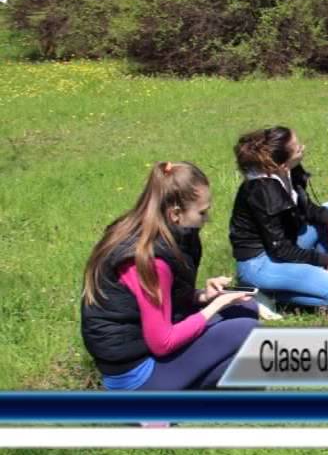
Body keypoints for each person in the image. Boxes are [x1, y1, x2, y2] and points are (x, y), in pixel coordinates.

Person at [81, 162, 259, 390]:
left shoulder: (169, 233)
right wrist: (213, 308)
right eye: (202, 212)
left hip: (147, 345)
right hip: (136, 371)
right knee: (245, 329)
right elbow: (162, 343)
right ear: (175, 214)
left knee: (246, 309)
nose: (207, 219)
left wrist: (202, 296)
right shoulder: (149, 259)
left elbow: (159, 301)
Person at [229, 126, 328, 309]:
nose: (302, 147)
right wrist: (325, 260)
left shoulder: (289, 170)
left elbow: (307, 208)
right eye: (297, 148)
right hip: (261, 262)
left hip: (287, 240)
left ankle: (319, 275)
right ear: (282, 164)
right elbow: (281, 250)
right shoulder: (263, 191)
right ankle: (260, 293)